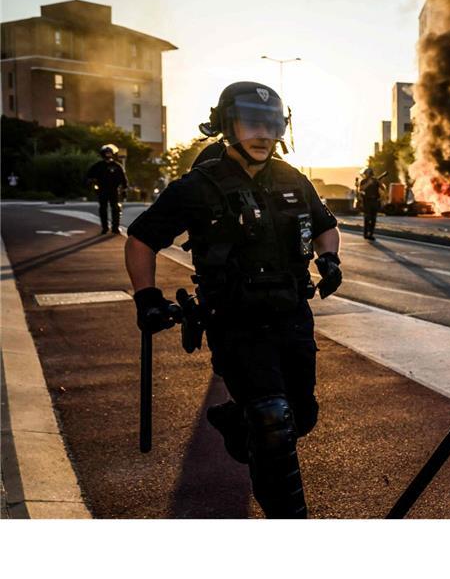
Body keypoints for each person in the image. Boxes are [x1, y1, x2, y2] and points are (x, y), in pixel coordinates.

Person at [125, 81, 341, 519]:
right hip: (235, 320)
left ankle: (234, 418)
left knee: (300, 417)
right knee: (273, 422)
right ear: (227, 125)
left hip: (293, 317)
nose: (263, 133)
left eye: (272, 123)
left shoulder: (293, 179)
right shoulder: (200, 185)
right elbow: (142, 238)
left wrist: (330, 259)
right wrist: (146, 297)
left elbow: (325, 226)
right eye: (251, 123)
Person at [86, 144, 128, 234]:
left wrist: (124, 189)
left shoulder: (117, 166)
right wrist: (91, 183)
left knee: (115, 208)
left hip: (114, 190)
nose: (108, 155)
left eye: (109, 153)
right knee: (103, 209)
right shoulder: (98, 166)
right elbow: (89, 176)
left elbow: (123, 178)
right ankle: (104, 227)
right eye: (106, 153)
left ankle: (115, 227)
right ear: (102, 154)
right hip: (102, 190)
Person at [358, 167, 383, 240]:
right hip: (367, 201)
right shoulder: (363, 181)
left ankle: (371, 234)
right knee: (367, 218)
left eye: (367, 173)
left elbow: (383, 188)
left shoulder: (376, 181)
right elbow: (361, 189)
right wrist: (368, 183)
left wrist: (380, 182)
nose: (366, 175)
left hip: (375, 201)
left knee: (373, 219)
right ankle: (366, 234)